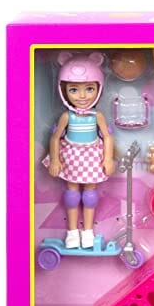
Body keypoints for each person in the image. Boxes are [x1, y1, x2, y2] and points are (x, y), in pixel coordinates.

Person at [43, 52, 115, 248]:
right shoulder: (67, 117)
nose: (82, 96)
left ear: (98, 89)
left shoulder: (97, 116)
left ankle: (88, 232)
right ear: (63, 90)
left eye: (89, 89)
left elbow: (107, 136)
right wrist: (55, 160)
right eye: (74, 90)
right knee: (72, 194)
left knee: (90, 195)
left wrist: (107, 159)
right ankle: (73, 232)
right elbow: (55, 137)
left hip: (91, 156)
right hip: (71, 157)